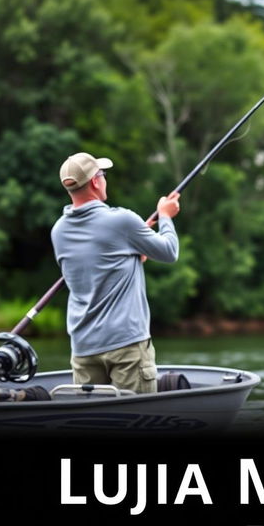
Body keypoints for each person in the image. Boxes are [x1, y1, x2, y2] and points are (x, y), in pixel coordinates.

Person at [51, 152, 180, 393]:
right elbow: (170, 252)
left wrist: (136, 246)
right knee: (137, 421)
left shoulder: (58, 231)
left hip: (84, 348)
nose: (104, 179)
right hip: (126, 346)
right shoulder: (122, 220)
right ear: (95, 182)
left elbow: (98, 267)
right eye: (103, 174)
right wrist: (165, 216)